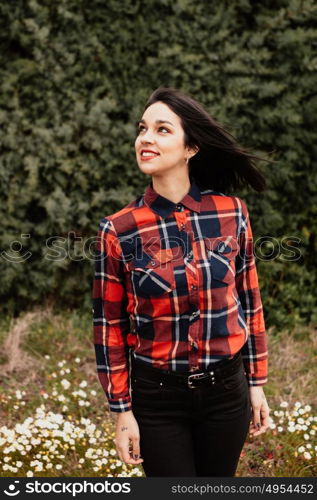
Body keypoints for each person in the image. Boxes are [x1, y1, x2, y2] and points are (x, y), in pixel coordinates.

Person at [92, 87, 272, 477]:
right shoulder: (119, 230)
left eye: (162, 130)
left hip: (227, 391)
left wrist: (256, 382)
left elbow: (249, 299)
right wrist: (122, 412)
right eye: (143, 129)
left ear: (191, 148)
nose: (145, 139)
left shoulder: (232, 213)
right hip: (158, 400)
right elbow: (109, 328)